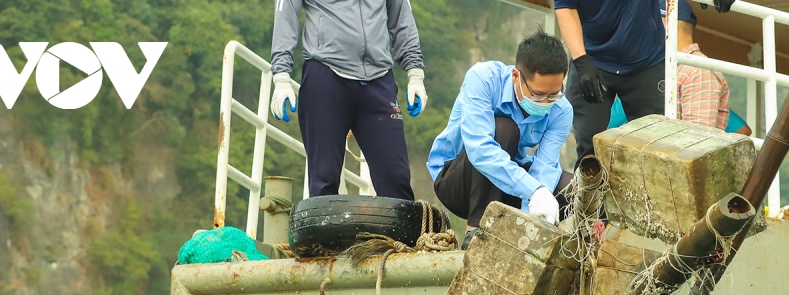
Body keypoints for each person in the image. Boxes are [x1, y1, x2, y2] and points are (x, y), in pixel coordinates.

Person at [269, 0, 429, 200]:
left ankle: (397, 232)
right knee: (324, 178)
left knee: (396, 179)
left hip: (378, 80)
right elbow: (286, 14)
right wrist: (281, 76)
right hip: (326, 77)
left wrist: (415, 74)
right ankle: (324, 232)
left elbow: (402, 17)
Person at [427, 31, 574, 240]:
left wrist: (530, 216)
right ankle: (477, 233)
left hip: (508, 187)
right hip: (460, 183)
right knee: (504, 129)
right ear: (516, 76)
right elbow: (480, 150)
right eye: (538, 94)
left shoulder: (561, 111)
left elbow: (545, 167)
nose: (546, 102)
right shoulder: (483, 79)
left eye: (554, 94)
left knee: (572, 188)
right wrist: (533, 190)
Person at [555, 0, 733, 161]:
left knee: (658, 147)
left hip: (646, 60)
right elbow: (565, 5)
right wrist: (581, 61)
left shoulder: (697, 73)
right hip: (591, 58)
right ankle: (590, 194)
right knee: (589, 147)